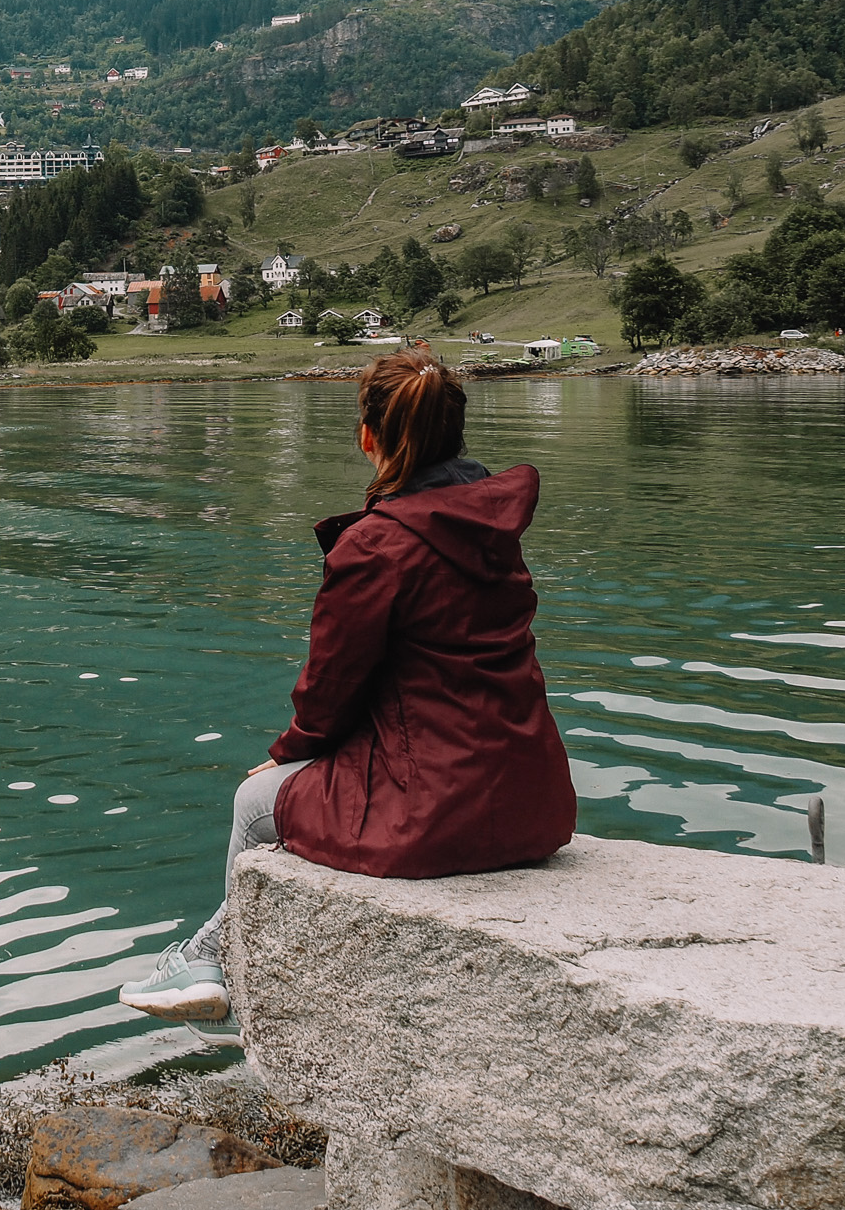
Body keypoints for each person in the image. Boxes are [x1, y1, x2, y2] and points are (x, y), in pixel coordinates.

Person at [119, 344, 576, 1037]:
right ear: (455, 434)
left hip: (438, 813)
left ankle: (217, 975)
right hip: (534, 799)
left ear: (369, 437)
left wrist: (287, 752)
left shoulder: (375, 546)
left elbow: (329, 694)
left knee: (255, 802)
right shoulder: (493, 529)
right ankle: (201, 956)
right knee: (297, 786)